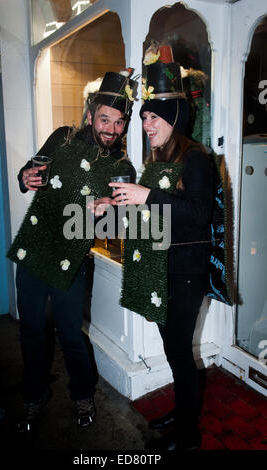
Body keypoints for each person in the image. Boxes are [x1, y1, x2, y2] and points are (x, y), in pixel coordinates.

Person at [93, 46, 231, 450]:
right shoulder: (156, 158)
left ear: (172, 116)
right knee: (173, 353)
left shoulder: (196, 158)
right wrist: (113, 204)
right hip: (158, 268)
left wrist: (147, 193)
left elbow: (197, 213)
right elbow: (148, 212)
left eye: (153, 116)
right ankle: (183, 410)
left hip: (186, 272)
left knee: (179, 352)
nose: (147, 124)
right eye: (144, 118)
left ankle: (188, 434)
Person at [7, 69, 137, 432]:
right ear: (91, 115)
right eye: (105, 120)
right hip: (33, 252)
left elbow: (114, 228)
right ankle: (34, 396)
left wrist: (105, 214)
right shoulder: (63, 138)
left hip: (71, 260)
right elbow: (32, 168)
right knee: (30, 332)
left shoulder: (121, 167)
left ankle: (82, 393)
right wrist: (23, 177)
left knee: (69, 333)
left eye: (119, 123)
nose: (111, 129)